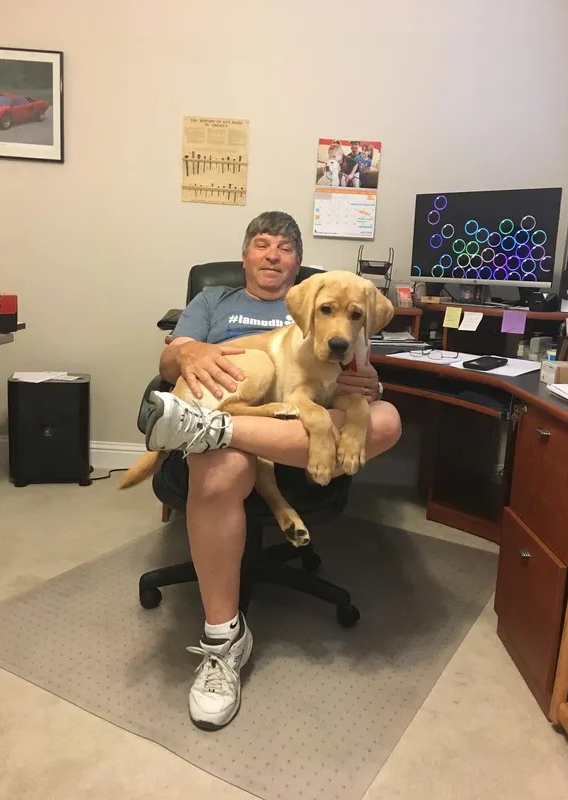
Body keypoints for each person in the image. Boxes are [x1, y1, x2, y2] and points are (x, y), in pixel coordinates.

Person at [147, 211, 401, 731]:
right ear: (244, 256)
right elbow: (169, 363)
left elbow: (355, 376)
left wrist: (368, 385)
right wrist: (190, 352)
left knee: (389, 419)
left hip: (289, 425)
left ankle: (213, 429)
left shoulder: (331, 299)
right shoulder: (212, 301)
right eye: (262, 244)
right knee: (224, 468)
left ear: (298, 264)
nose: (272, 255)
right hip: (246, 410)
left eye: (285, 248)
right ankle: (223, 639)